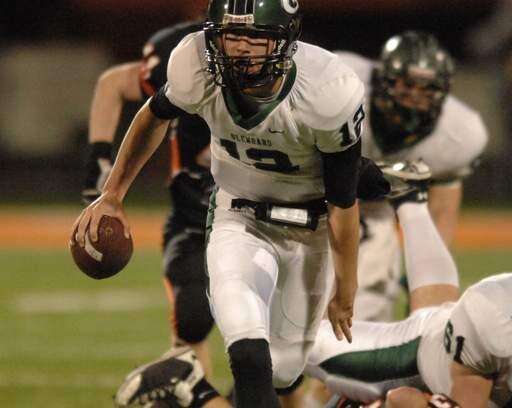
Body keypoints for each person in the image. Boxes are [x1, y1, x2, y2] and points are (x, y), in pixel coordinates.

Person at [74, 0, 368, 406]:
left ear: (285, 40)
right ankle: (196, 380)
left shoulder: (328, 90)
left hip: (309, 228)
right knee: (248, 354)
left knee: (283, 373)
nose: (241, 47)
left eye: (255, 36)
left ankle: (188, 384)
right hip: (238, 217)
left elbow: (343, 203)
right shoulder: (194, 62)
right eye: (232, 35)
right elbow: (153, 115)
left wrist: (346, 286)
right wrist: (113, 194)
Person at [143, 160, 511, 408]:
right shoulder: (494, 321)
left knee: (437, 316)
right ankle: (190, 384)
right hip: (408, 360)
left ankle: (411, 201)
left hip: (443, 342)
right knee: (284, 353)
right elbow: (404, 399)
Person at [81, 20, 219, 387]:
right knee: (191, 320)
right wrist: (101, 166)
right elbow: (114, 84)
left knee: (278, 354)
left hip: (263, 219)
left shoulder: (293, 71)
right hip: (195, 216)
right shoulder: (184, 53)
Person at [332, 31, 488, 323]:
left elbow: (442, 208)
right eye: (407, 84)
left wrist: (423, 280)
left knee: (364, 310)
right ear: (383, 79)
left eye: (428, 89)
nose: (415, 97)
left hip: (374, 213)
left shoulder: (458, 134)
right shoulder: (342, 86)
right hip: (312, 194)